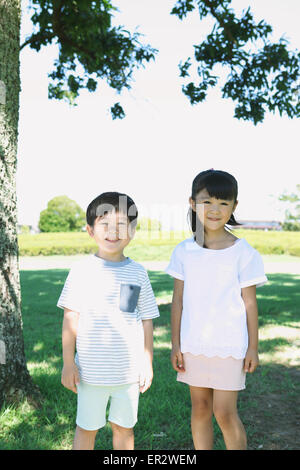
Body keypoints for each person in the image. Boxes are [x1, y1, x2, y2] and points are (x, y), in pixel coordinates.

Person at [165, 169, 268, 450]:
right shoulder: (184, 251)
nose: (214, 209)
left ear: (234, 207)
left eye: (224, 203)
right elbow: (178, 301)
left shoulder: (243, 252)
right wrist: (176, 344)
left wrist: (253, 348)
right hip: (193, 345)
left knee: (224, 412)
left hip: (230, 345)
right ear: (192, 203)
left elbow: (250, 303)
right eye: (207, 201)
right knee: (199, 408)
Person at [57, 192, 159, 450]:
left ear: (132, 231)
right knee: (86, 428)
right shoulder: (81, 271)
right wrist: (68, 364)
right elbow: (70, 318)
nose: (113, 232)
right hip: (90, 373)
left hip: (128, 373)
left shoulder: (138, 272)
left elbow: (146, 319)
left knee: (124, 429)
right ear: (90, 231)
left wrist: (147, 363)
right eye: (105, 225)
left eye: (122, 225)